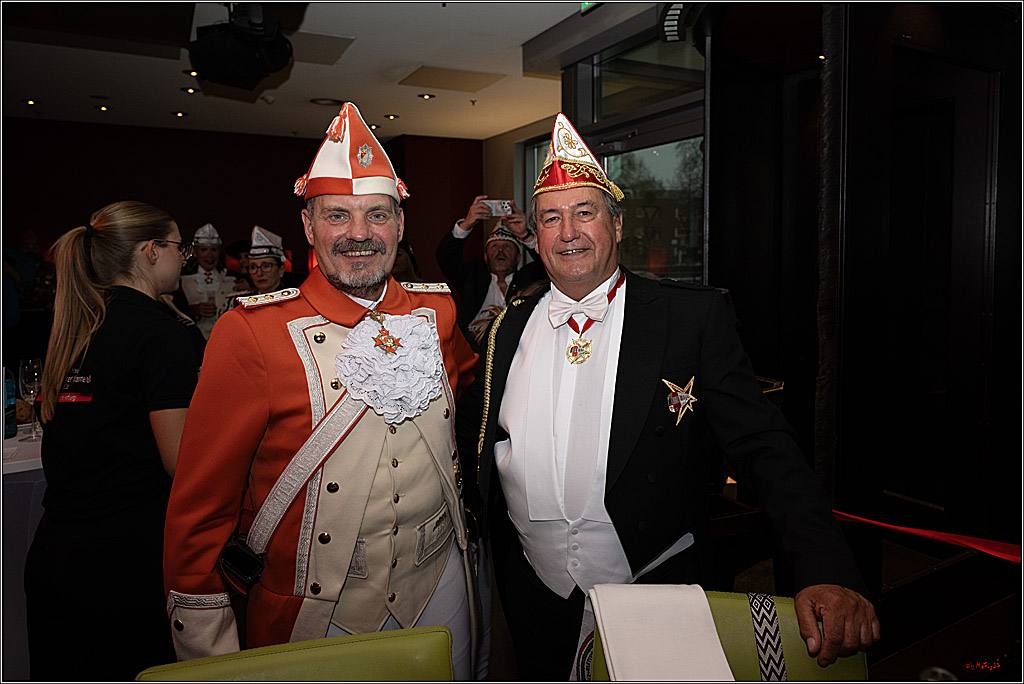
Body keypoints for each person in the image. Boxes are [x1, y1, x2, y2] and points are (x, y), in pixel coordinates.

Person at [459, 114, 880, 680]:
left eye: (585, 212)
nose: (569, 232)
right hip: (533, 591)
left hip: (656, 584)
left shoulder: (691, 319)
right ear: (534, 236)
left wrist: (824, 565)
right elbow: (477, 438)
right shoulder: (507, 326)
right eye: (552, 218)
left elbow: (764, 446)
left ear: (617, 224)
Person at [163, 102, 482, 679]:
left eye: (377, 215)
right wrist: (209, 649)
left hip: (441, 587)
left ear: (400, 225)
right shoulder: (251, 332)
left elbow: (474, 397)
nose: (359, 234)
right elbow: (202, 507)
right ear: (309, 228)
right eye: (338, 215)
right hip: (319, 608)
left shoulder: (437, 312)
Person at [26, 201, 198, 681]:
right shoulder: (160, 332)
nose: (182, 258)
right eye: (178, 247)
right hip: (126, 563)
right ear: (150, 251)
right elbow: (180, 459)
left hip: (58, 555)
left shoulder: (78, 325)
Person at [436, 197, 546, 350]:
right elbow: (445, 257)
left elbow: (550, 264)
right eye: (494, 247)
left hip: (519, 349)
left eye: (507, 247)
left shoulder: (529, 279)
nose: (500, 251)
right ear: (485, 257)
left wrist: (525, 236)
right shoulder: (473, 277)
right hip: (474, 351)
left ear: (518, 257)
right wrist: (466, 225)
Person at [179, 223, 242, 339]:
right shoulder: (182, 281)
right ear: (196, 252)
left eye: (214, 249)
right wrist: (193, 310)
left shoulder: (233, 280)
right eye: (204, 250)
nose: (210, 255)